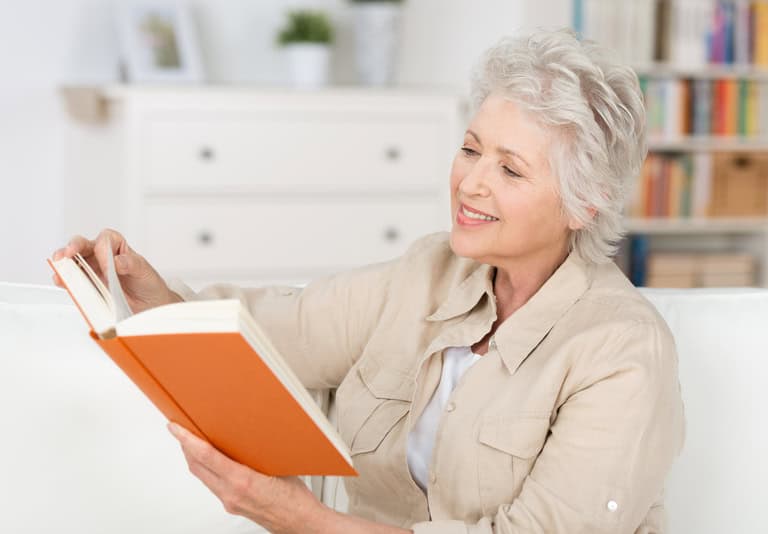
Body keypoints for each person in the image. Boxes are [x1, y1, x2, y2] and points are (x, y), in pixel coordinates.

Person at [52, 29, 685, 534]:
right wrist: (145, 292)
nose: (470, 183)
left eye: (510, 170)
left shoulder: (622, 350)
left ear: (584, 203)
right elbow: (277, 332)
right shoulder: (428, 271)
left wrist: (298, 520)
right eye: (470, 149)